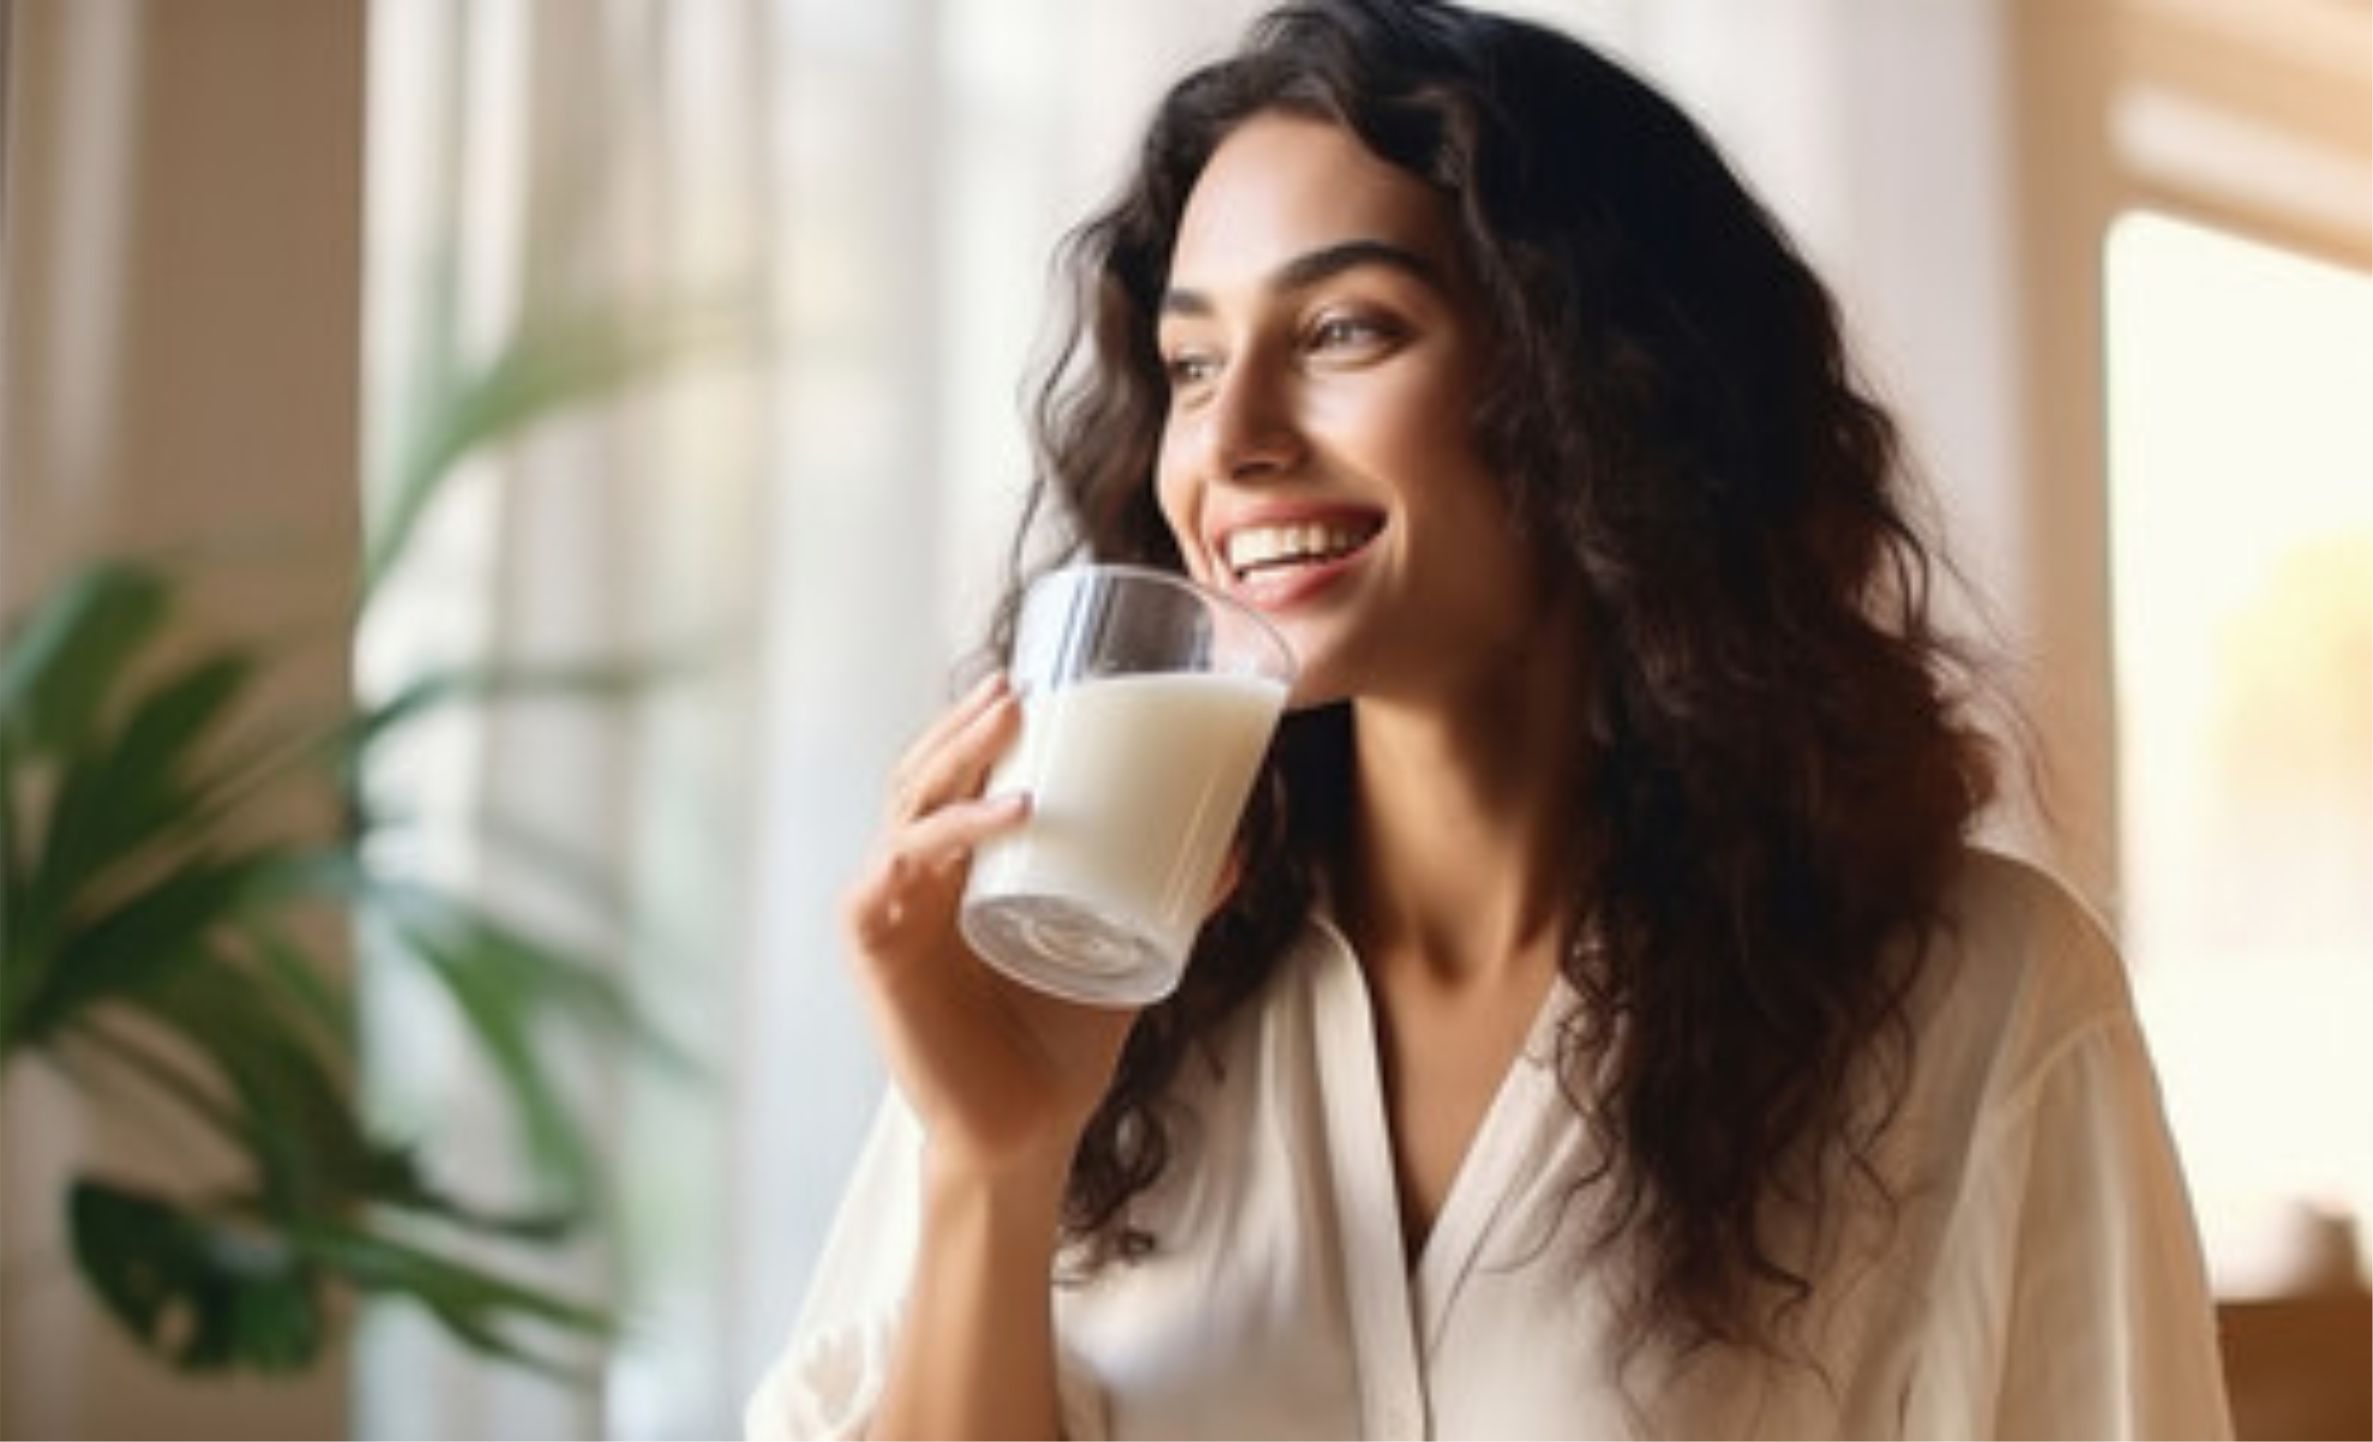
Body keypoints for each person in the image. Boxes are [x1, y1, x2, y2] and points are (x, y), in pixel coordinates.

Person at [748, 0, 2232, 1436]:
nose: (1233, 440)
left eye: (1342, 329)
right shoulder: (1070, 949)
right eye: (1192, 363)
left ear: (1600, 386)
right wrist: (994, 1159)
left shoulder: (1969, 1000)